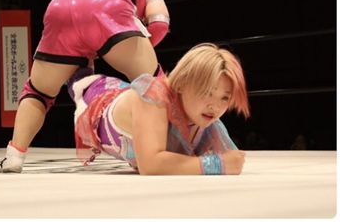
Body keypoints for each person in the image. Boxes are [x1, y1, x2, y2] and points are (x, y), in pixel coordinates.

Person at [0, 0, 170, 173]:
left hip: (60, 5)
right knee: (153, 83)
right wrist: (135, 51)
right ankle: (159, 148)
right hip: (106, 3)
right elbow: (159, 25)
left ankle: (14, 156)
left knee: (38, 92)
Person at [70, 43, 250, 175]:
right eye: (206, 92)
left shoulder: (205, 117)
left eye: (225, 97)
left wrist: (224, 162)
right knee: (76, 72)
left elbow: (233, 159)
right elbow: (151, 165)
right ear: (183, 83)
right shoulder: (153, 98)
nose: (215, 106)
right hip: (97, 96)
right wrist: (216, 165)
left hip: (127, 93)